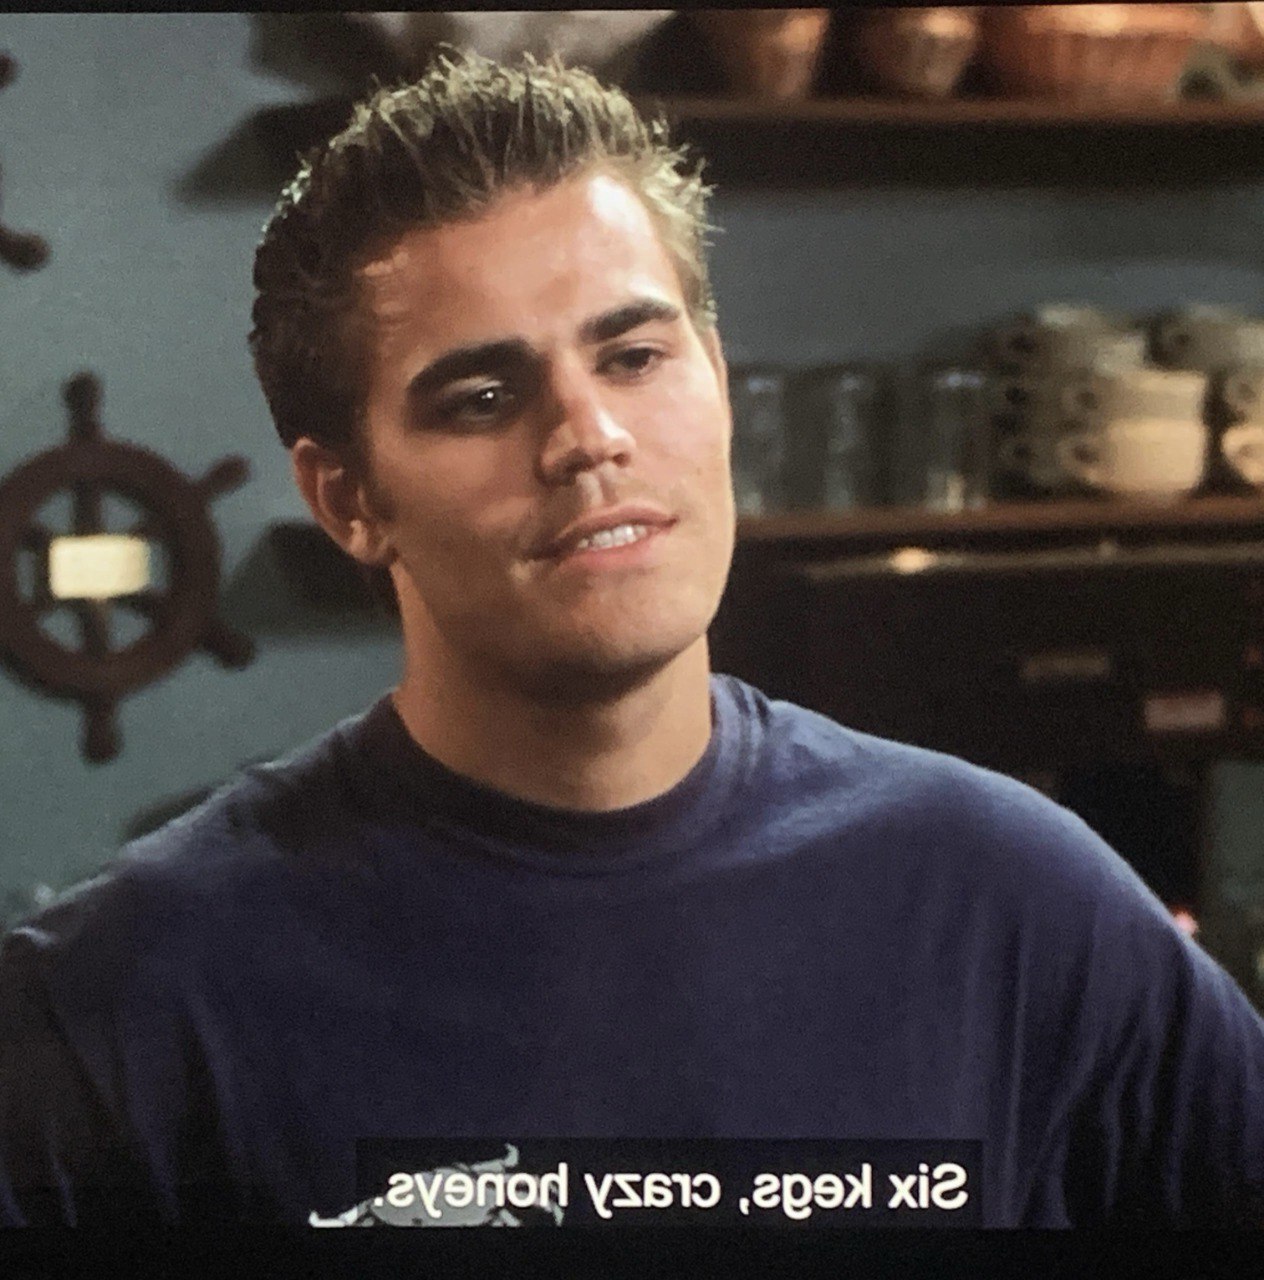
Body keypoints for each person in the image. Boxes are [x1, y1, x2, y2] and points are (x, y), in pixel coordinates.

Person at [2, 47, 1263, 1231]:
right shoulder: (128, 997)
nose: (588, 435)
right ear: (348, 500)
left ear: (714, 374)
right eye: (482, 396)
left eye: (637, 354)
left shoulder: (1015, 907)